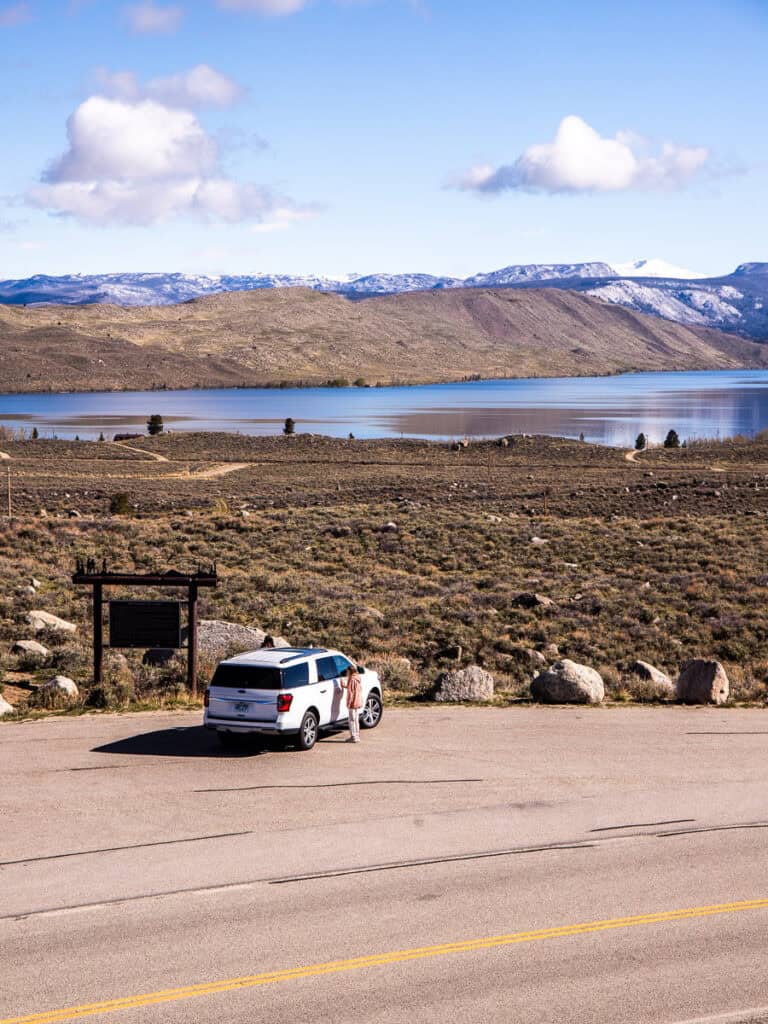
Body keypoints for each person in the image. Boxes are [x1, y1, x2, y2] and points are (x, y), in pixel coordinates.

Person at [340, 665, 363, 742]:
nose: (346, 673)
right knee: (356, 719)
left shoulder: (352, 679)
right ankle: (357, 736)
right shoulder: (357, 678)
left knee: (351, 719)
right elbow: (352, 688)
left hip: (353, 701)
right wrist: (344, 685)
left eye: (347, 671)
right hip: (358, 700)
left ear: (350, 671)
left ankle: (353, 737)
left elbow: (351, 692)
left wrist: (349, 703)